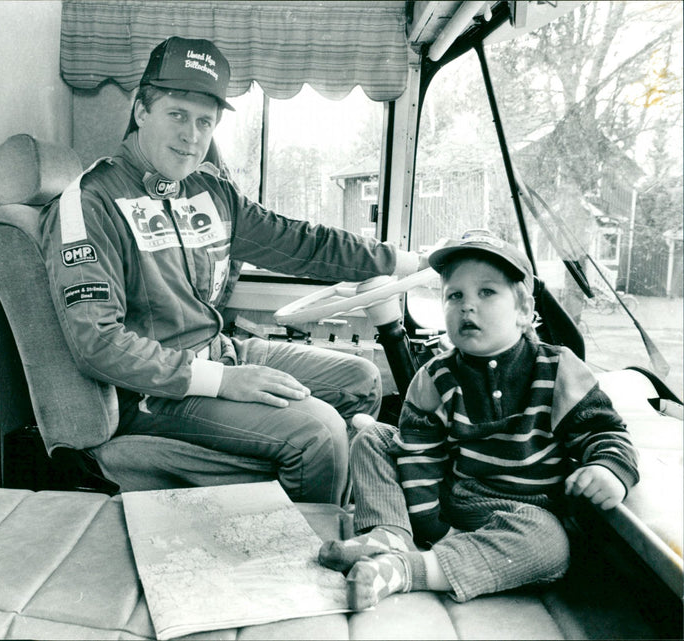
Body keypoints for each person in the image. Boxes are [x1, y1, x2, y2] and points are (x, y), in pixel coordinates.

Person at [39, 36, 424, 505]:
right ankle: (299, 549)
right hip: (156, 389)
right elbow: (98, 343)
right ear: (142, 110)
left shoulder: (207, 190)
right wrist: (223, 381)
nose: (191, 135)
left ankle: (318, 496)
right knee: (319, 434)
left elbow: (298, 242)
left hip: (223, 351)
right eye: (177, 115)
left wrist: (408, 261)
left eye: (205, 122)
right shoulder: (91, 203)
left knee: (362, 379)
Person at [318, 229, 639, 607]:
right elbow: (419, 457)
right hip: (450, 497)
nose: (467, 306)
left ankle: (405, 570)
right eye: (455, 296)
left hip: (524, 514)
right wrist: (435, 528)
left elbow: (605, 431)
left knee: (552, 542)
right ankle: (389, 534)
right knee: (374, 439)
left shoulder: (558, 370)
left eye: (486, 293)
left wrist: (609, 469)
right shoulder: (436, 377)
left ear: (524, 312)